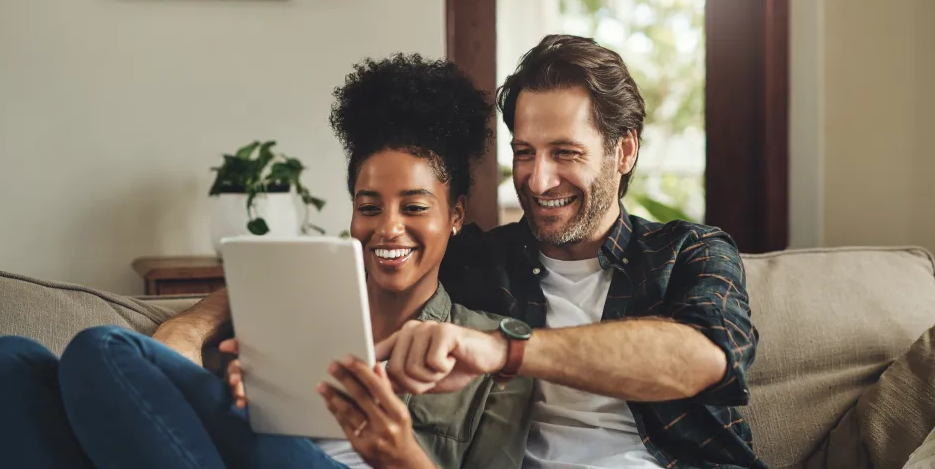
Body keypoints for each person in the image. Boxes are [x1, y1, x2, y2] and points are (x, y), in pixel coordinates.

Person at [152, 34, 764, 469]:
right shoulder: (482, 259)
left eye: (566, 153)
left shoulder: (690, 251)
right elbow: (347, 265)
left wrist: (504, 349)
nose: (539, 179)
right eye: (524, 152)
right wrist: (192, 326)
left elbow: (702, 359)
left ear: (623, 152)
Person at [0, 54, 533, 469]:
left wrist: (395, 445)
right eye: (368, 206)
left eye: (414, 207)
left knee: (102, 348)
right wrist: (237, 385)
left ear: (455, 215)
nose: (388, 227)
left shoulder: (489, 351)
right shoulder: (290, 309)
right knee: (3, 362)